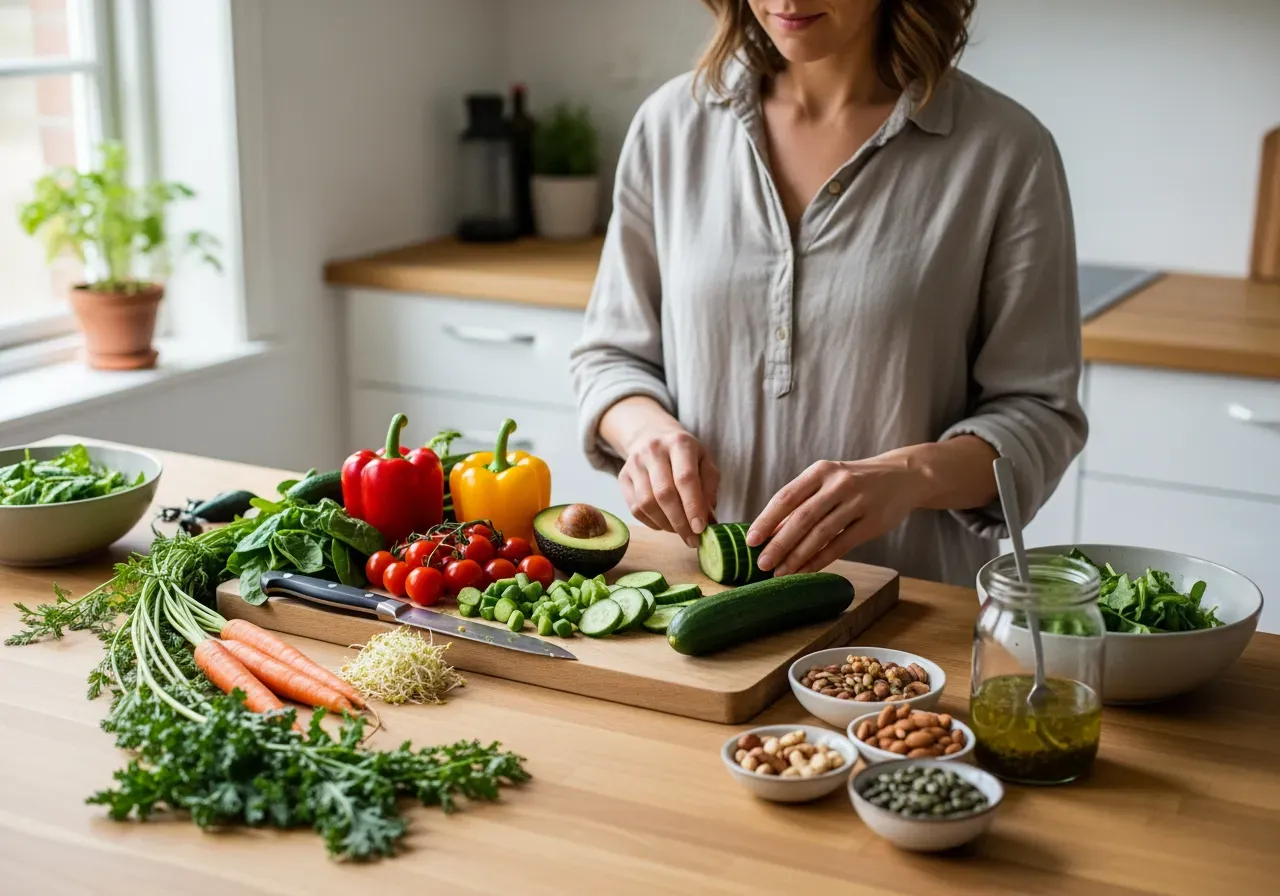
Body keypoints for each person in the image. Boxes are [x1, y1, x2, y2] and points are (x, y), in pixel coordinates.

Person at [569, 0, 1086, 585]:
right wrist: (647, 435)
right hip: (694, 602)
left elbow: (1040, 414)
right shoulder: (669, 125)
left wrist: (911, 476)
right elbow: (610, 356)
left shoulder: (1005, 150)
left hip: (909, 614)